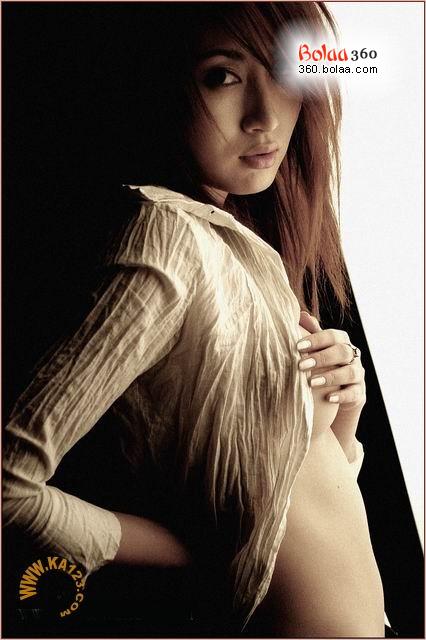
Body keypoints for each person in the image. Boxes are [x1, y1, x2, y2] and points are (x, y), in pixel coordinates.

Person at [3, 2, 393, 637]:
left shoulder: (232, 244)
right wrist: (192, 549)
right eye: (223, 76)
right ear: (161, 83)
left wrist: (343, 415)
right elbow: (8, 485)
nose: (266, 116)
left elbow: (285, 506)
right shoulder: (162, 239)